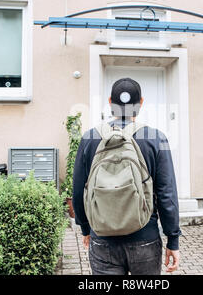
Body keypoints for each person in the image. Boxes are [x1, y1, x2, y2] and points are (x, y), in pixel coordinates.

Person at [72, 77, 181, 275]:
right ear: (140, 103)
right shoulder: (157, 139)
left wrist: (86, 229)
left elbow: (79, 190)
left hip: (102, 238)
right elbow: (167, 194)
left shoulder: (89, 138)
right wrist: (173, 239)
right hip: (144, 237)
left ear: (109, 102)